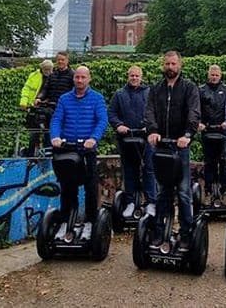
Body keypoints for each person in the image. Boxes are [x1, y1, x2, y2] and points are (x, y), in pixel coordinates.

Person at [144, 50, 200, 248]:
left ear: (179, 65)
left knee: (183, 192)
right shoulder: (156, 88)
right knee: (162, 192)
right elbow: (149, 111)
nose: (170, 67)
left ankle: (185, 233)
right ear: (163, 65)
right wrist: (152, 131)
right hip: (161, 147)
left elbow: (194, 112)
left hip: (180, 147)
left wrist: (187, 134)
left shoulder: (189, 88)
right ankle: (160, 232)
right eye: (167, 64)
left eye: (173, 64)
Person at [49, 65, 108, 241]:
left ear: (89, 79)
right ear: (74, 79)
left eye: (83, 77)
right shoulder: (64, 99)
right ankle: (66, 221)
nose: (80, 80)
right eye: (77, 77)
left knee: (90, 187)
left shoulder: (97, 98)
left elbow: (102, 120)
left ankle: (90, 223)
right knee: (67, 187)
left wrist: (94, 138)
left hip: (87, 151)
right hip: (67, 150)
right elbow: (56, 119)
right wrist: (55, 136)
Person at [108, 65, 157, 218]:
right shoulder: (119, 94)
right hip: (126, 138)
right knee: (129, 170)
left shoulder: (149, 93)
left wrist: (150, 126)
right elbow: (111, 113)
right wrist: (118, 125)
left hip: (146, 138)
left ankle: (151, 202)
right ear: (128, 76)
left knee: (149, 169)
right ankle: (130, 202)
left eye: (137, 76)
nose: (134, 78)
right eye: (132, 75)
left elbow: (157, 113)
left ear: (141, 77)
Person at [198, 64, 226, 199]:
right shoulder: (201, 90)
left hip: (222, 130)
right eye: (212, 75)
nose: (214, 77)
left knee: (223, 160)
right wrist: (199, 123)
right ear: (208, 75)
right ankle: (208, 190)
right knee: (209, 161)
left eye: (217, 75)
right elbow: (196, 109)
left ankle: (225, 191)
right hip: (207, 129)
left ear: (220, 76)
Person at [19, 59, 53, 155]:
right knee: (34, 133)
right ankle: (31, 154)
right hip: (34, 107)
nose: (48, 71)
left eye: (50, 69)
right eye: (46, 69)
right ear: (42, 68)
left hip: (48, 108)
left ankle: (47, 154)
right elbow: (26, 89)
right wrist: (24, 102)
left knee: (48, 133)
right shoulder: (34, 76)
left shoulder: (54, 76)